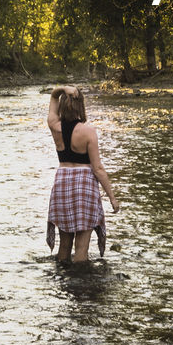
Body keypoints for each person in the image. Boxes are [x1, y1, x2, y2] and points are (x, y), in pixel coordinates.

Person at [45, 86, 119, 263]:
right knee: (82, 246)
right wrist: (112, 198)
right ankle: (80, 283)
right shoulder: (88, 132)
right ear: (81, 106)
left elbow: (53, 97)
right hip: (84, 184)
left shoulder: (55, 127)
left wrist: (63, 89)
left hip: (62, 182)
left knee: (64, 245)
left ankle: (61, 280)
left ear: (63, 105)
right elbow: (98, 169)